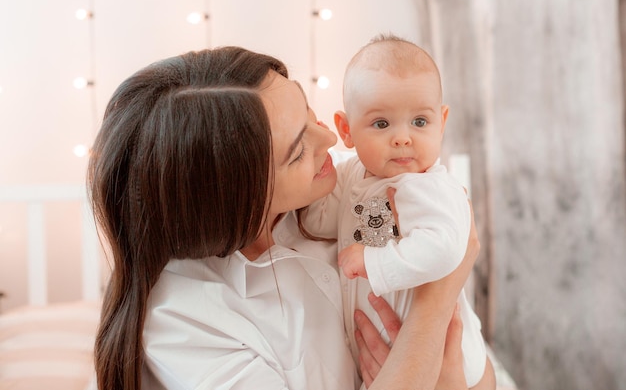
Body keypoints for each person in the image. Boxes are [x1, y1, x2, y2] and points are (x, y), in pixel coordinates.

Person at [88, 45, 484, 390]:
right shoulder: (187, 320)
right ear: (236, 197)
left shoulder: (349, 185)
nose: (329, 138)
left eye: (308, 111)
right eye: (297, 151)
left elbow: (481, 376)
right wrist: (435, 302)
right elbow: (447, 271)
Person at [303, 34, 493, 388]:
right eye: (381, 124)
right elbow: (320, 219)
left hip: (445, 359)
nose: (403, 138)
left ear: (442, 120)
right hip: (390, 355)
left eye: (420, 122)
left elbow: (445, 248)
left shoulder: (428, 186)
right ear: (346, 130)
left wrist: (373, 262)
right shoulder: (351, 174)